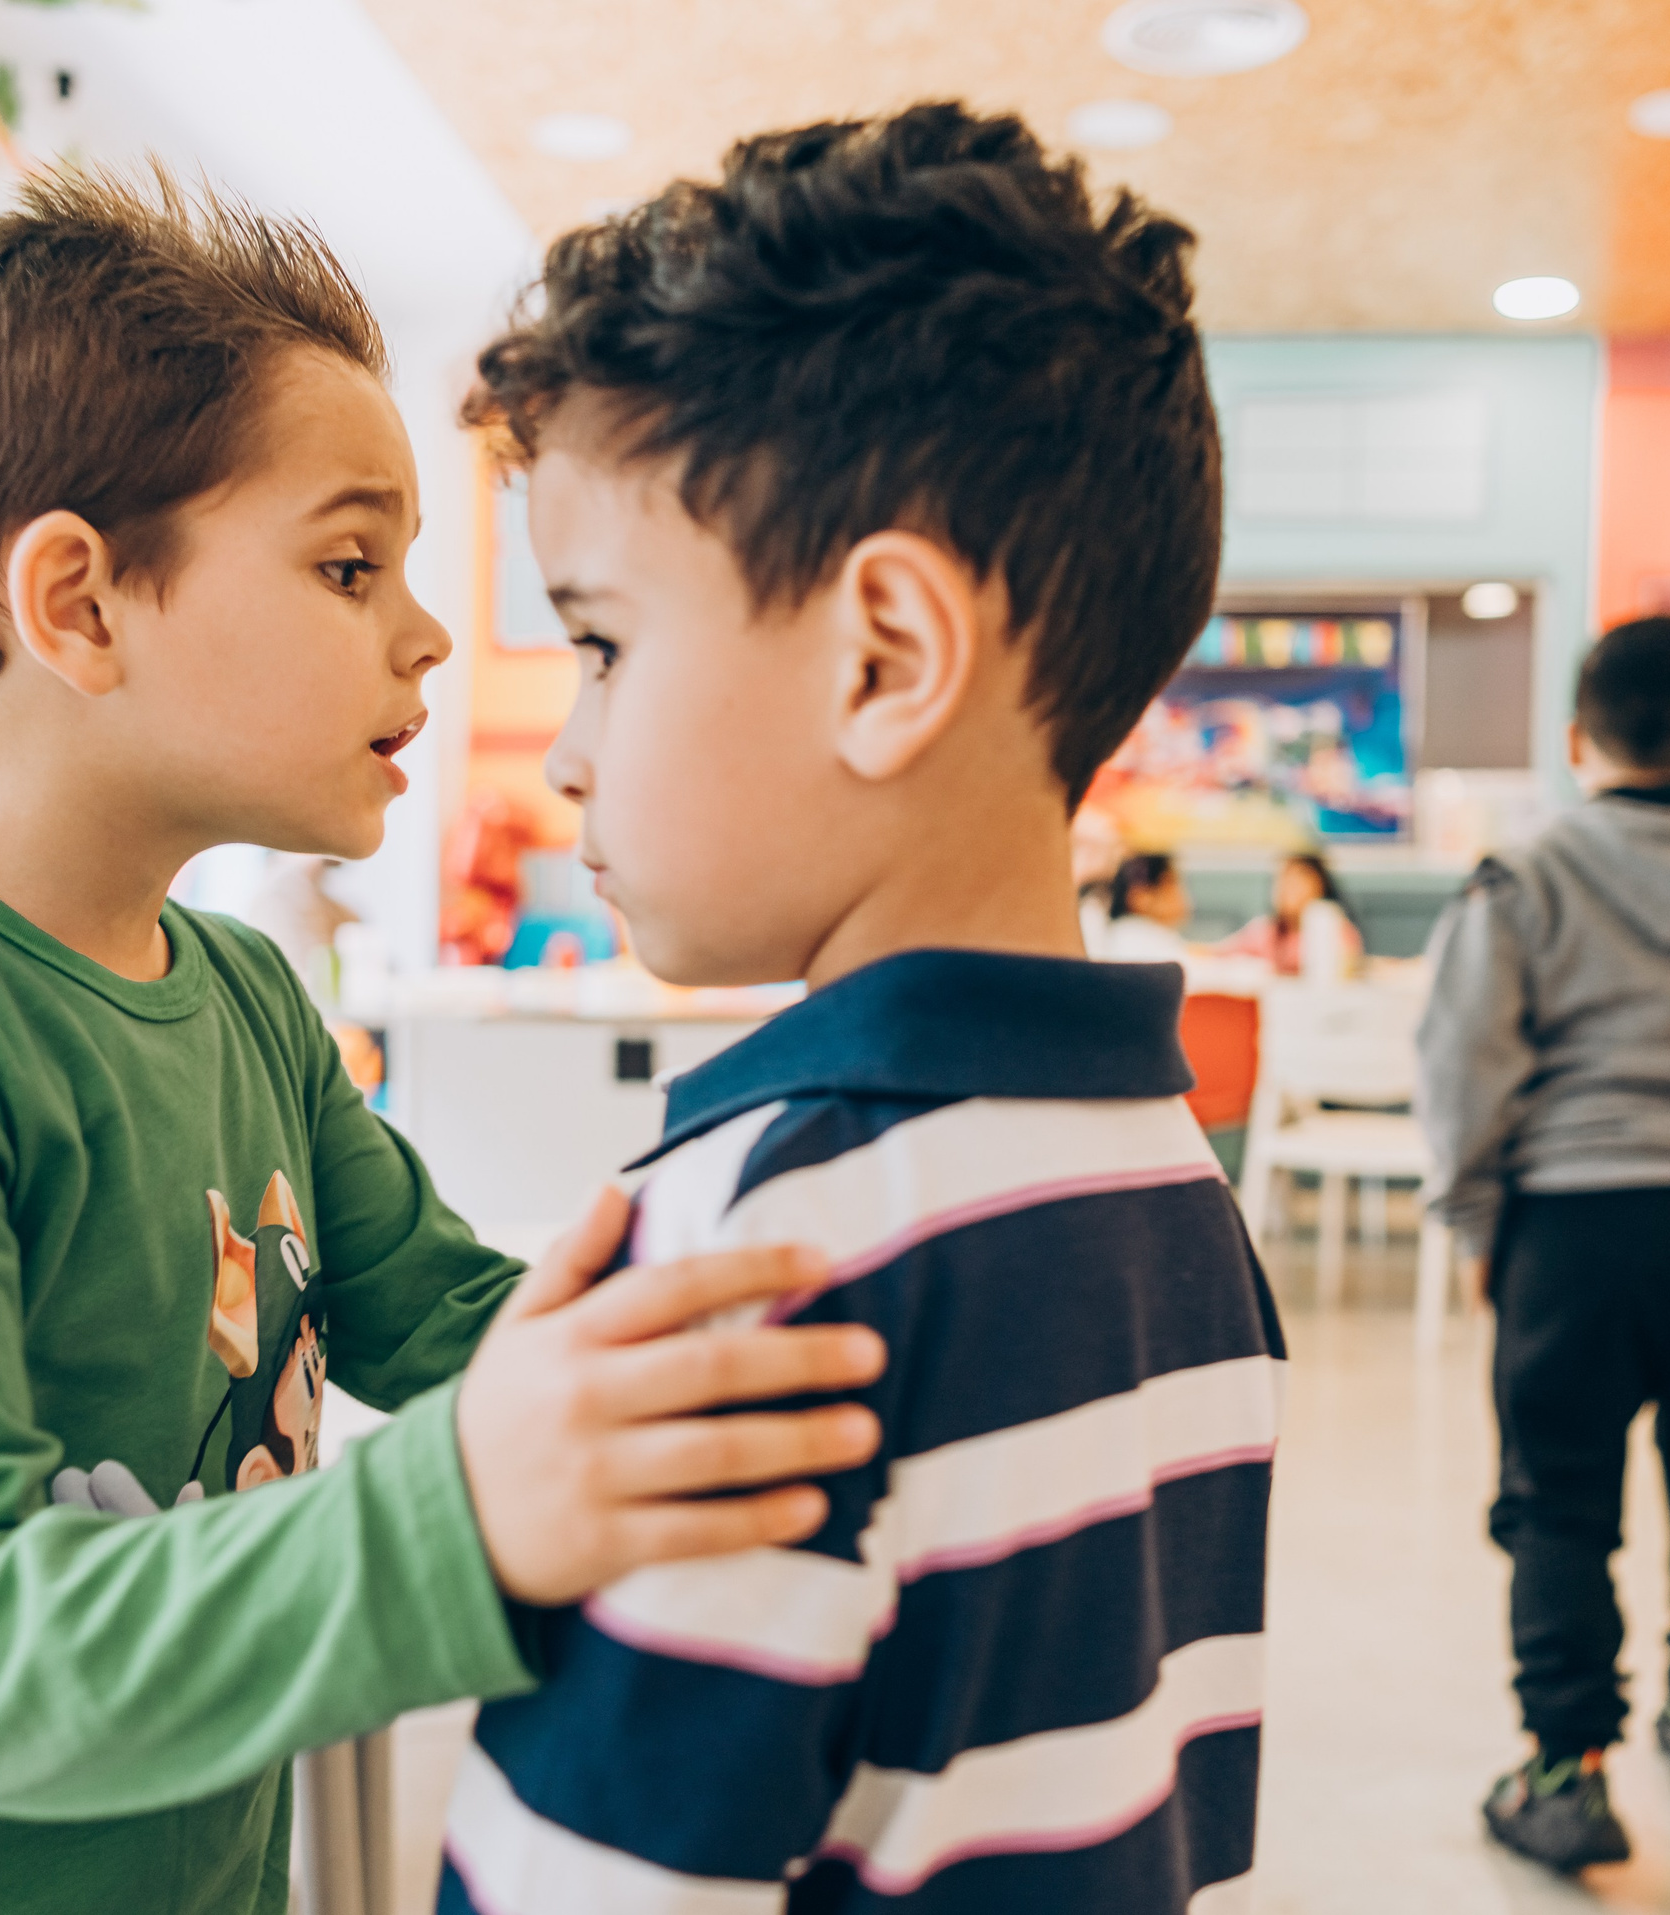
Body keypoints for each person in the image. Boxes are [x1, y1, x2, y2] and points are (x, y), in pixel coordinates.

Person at [0, 168, 887, 1915]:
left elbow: (425, 1307)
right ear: (79, 606)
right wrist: (468, 1518)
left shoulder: (246, 995)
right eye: (351, 563)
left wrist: (696, 1368)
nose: (427, 632)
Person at [440, 105, 1281, 1914]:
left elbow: (584, 1881)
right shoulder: (1173, 1187)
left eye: (600, 643)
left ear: (884, 658)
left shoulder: (760, 1242)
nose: (571, 748)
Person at [1418, 613, 1670, 1873]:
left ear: (1574, 736)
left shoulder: (1522, 872)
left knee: (1556, 1502)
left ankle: (1563, 1771)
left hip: (1573, 1226)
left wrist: (1477, 1219)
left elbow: (1462, 1061)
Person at [1215, 850, 1361, 975]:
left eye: (1297, 881)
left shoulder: (1337, 931)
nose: (1286, 889)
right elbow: (1218, 953)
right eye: (1282, 880)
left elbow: (1349, 969)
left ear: (1319, 886)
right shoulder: (1266, 932)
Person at [1100, 849, 1197, 960]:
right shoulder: (1139, 937)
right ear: (1139, 896)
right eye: (1171, 884)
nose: (1182, 894)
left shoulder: (1129, 933)